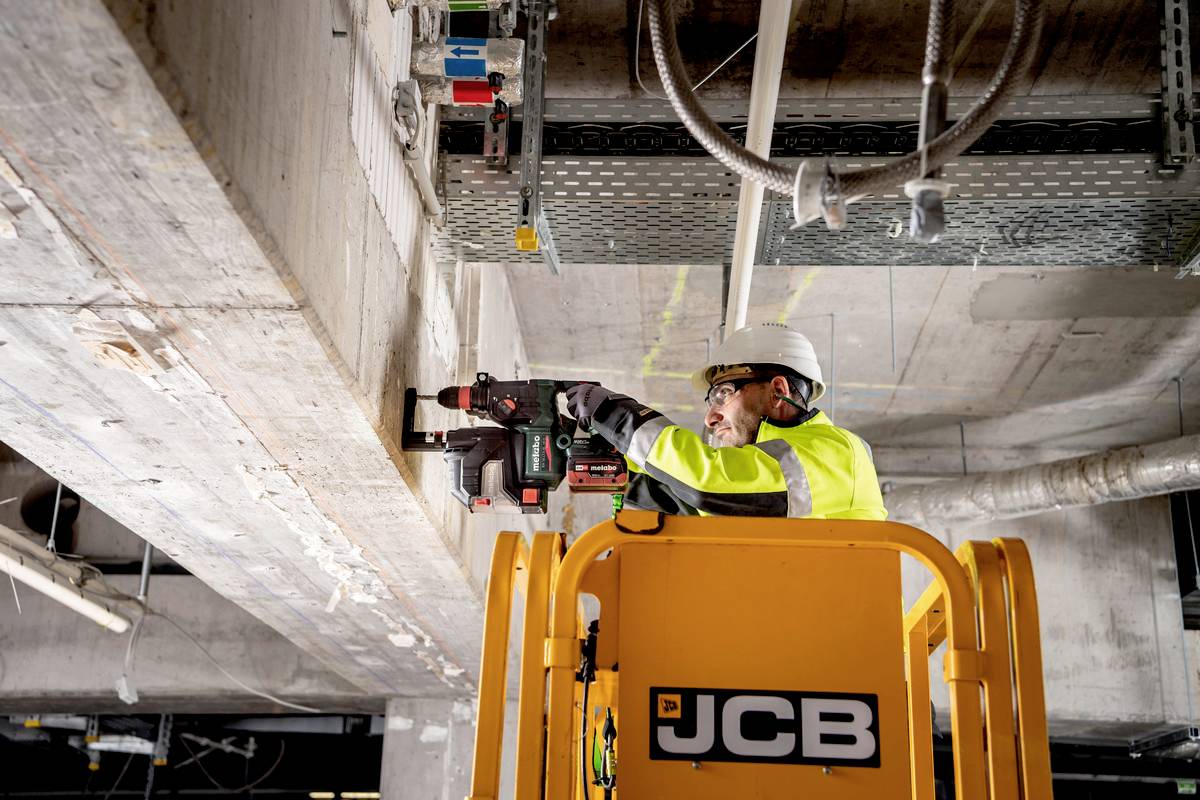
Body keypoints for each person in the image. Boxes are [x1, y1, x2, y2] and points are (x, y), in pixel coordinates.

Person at [565, 323, 886, 520]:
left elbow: (708, 482)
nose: (710, 416)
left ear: (777, 390)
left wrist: (613, 415)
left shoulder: (842, 454)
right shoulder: (755, 492)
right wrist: (609, 459)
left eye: (724, 393)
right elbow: (689, 503)